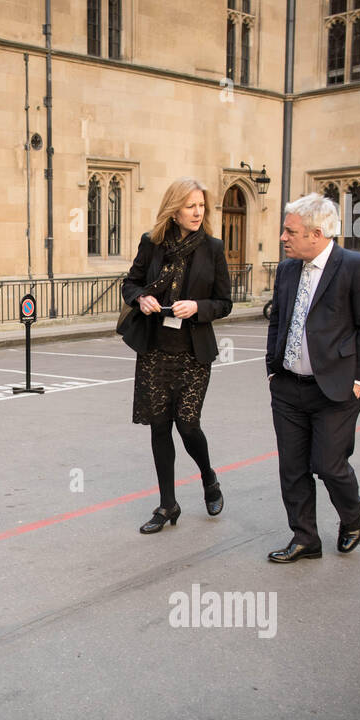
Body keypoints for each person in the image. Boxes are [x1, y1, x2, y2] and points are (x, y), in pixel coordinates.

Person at [264, 193, 360, 563]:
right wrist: (272, 368)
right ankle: (305, 539)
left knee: (329, 465)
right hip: (287, 388)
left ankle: (352, 516)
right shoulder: (286, 270)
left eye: (290, 231)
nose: (283, 237)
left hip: (335, 389)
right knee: (293, 468)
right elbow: (277, 319)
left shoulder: (355, 266)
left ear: (316, 234)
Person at [121, 177, 232, 534]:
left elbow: (224, 302)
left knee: (187, 425)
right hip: (155, 350)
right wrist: (141, 298)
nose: (197, 212)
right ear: (174, 209)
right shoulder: (151, 243)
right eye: (190, 206)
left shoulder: (213, 248)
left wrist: (197, 306)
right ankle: (168, 505)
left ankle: (209, 478)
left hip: (192, 353)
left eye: (201, 206)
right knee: (158, 427)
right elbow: (130, 283)